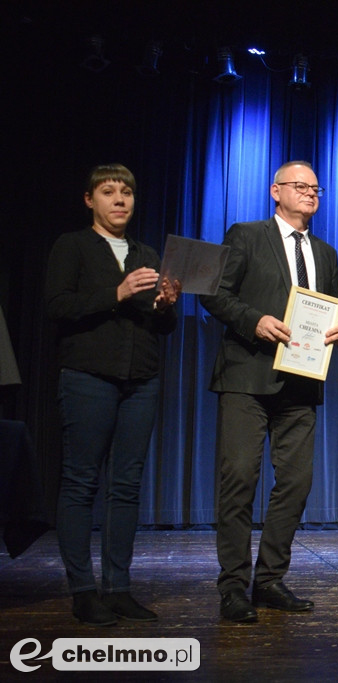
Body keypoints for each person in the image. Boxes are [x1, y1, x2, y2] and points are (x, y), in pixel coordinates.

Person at [200, 161, 338, 623]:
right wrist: (254, 321)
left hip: (300, 382)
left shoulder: (325, 252)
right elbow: (214, 293)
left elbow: (330, 309)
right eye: (299, 186)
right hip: (247, 376)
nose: (309, 193)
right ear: (275, 191)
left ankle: (268, 580)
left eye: (315, 188)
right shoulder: (245, 235)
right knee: (239, 480)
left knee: (297, 484)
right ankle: (233, 586)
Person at [44, 163, 180, 625]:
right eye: (108, 192)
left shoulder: (145, 251)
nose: (119, 200)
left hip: (140, 377)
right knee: (82, 482)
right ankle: (83, 589)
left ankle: (118, 587)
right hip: (88, 374)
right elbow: (58, 306)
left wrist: (165, 306)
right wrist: (117, 291)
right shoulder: (74, 245)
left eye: (126, 193)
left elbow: (161, 326)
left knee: (126, 486)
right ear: (90, 200)